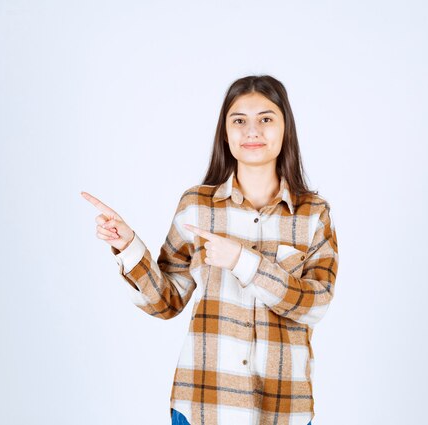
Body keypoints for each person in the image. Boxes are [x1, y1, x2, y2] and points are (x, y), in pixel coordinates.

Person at [82, 75, 339, 425]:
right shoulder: (197, 206)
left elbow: (315, 305)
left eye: (266, 119)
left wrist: (243, 262)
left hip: (283, 411)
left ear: (285, 129)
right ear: (225, 132)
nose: (252, 131)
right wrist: (128, 247)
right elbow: (166, 302)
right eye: (239, 121)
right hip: (203, 406)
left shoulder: (313, 214)